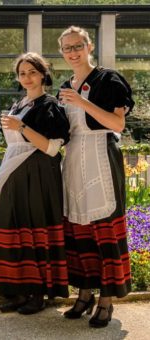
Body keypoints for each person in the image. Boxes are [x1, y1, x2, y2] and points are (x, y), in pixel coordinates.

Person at [0, 52, 70, 315]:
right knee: (10, 225)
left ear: (43, 74)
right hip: (15, 170)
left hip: (38, 172)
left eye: (32, 72)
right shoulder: (19, 104)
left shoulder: (50, 106)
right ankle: (16, 291)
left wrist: (21, 127)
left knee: (33, 228)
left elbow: (52, 148)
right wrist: (17, 126)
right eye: (22, 73)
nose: (27, 77)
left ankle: (37, 293)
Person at [57, 26, 134, 328]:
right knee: (78, 231)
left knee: (105, 231)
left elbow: (117, 124)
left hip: (101, 153)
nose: (73, 52)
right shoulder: (65, 85)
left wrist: (82, 103)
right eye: (67, 48)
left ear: (89, 47)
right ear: (62, 53)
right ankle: (84, 292)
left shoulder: (108, 80)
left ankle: (107, 299)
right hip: (74, 159)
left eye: (78, 46)